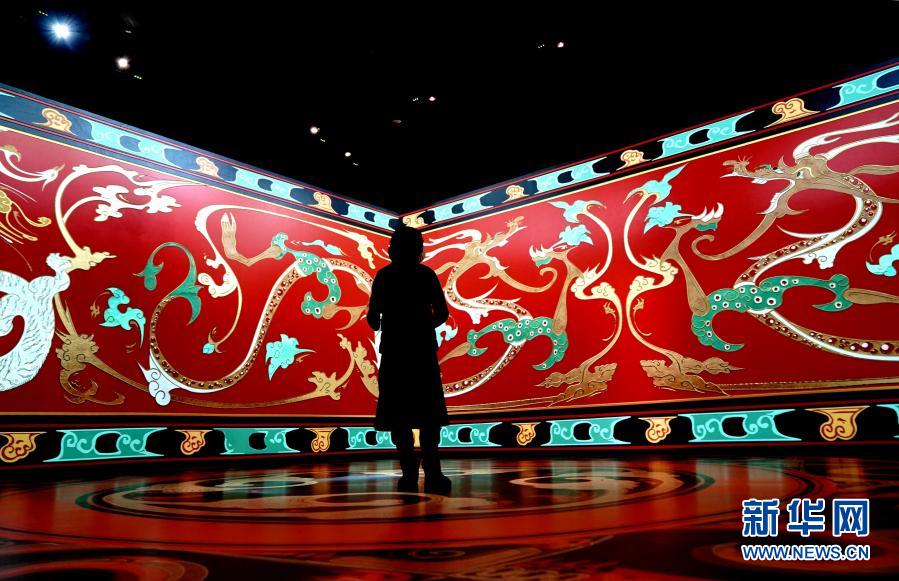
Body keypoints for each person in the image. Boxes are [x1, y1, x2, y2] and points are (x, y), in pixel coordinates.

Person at [367, 224, 451, 494]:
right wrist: (423, 325)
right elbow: (442, 313)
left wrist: (390, 321)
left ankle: (409, 470)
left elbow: (372, 319)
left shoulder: (384, 276)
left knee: (398, 415)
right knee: (429, 415)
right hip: (422, 352)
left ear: (392, 250)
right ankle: (433, 470)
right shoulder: (426, 275)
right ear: (419, 250)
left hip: (395, 353)